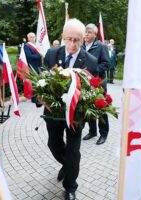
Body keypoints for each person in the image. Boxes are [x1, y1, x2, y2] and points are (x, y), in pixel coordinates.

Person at [43, 18, 98, 200]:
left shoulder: (90, 61)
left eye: (77, 40)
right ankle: (68, 165)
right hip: (53, 113)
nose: (72, 44)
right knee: (54, 145)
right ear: (63, 37)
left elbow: (97, 90)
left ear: (84, 39)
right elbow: (39, 83)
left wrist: (88, 103)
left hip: (77, 116)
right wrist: (42, 99)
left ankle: (70, 187)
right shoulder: (51, 55)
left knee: (74, 151)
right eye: (69, 39)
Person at [82, 23, 110, 145]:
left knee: (101, 107)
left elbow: (107, 64)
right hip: (85, 82)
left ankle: (103, 134)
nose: (86, 34)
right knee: (88, 106)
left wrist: (93, 71)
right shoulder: (81, 46)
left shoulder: (101, 46)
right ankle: (92, 131)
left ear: (95, 34)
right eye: (85, 31)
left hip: (98, 82)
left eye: (88, 32)